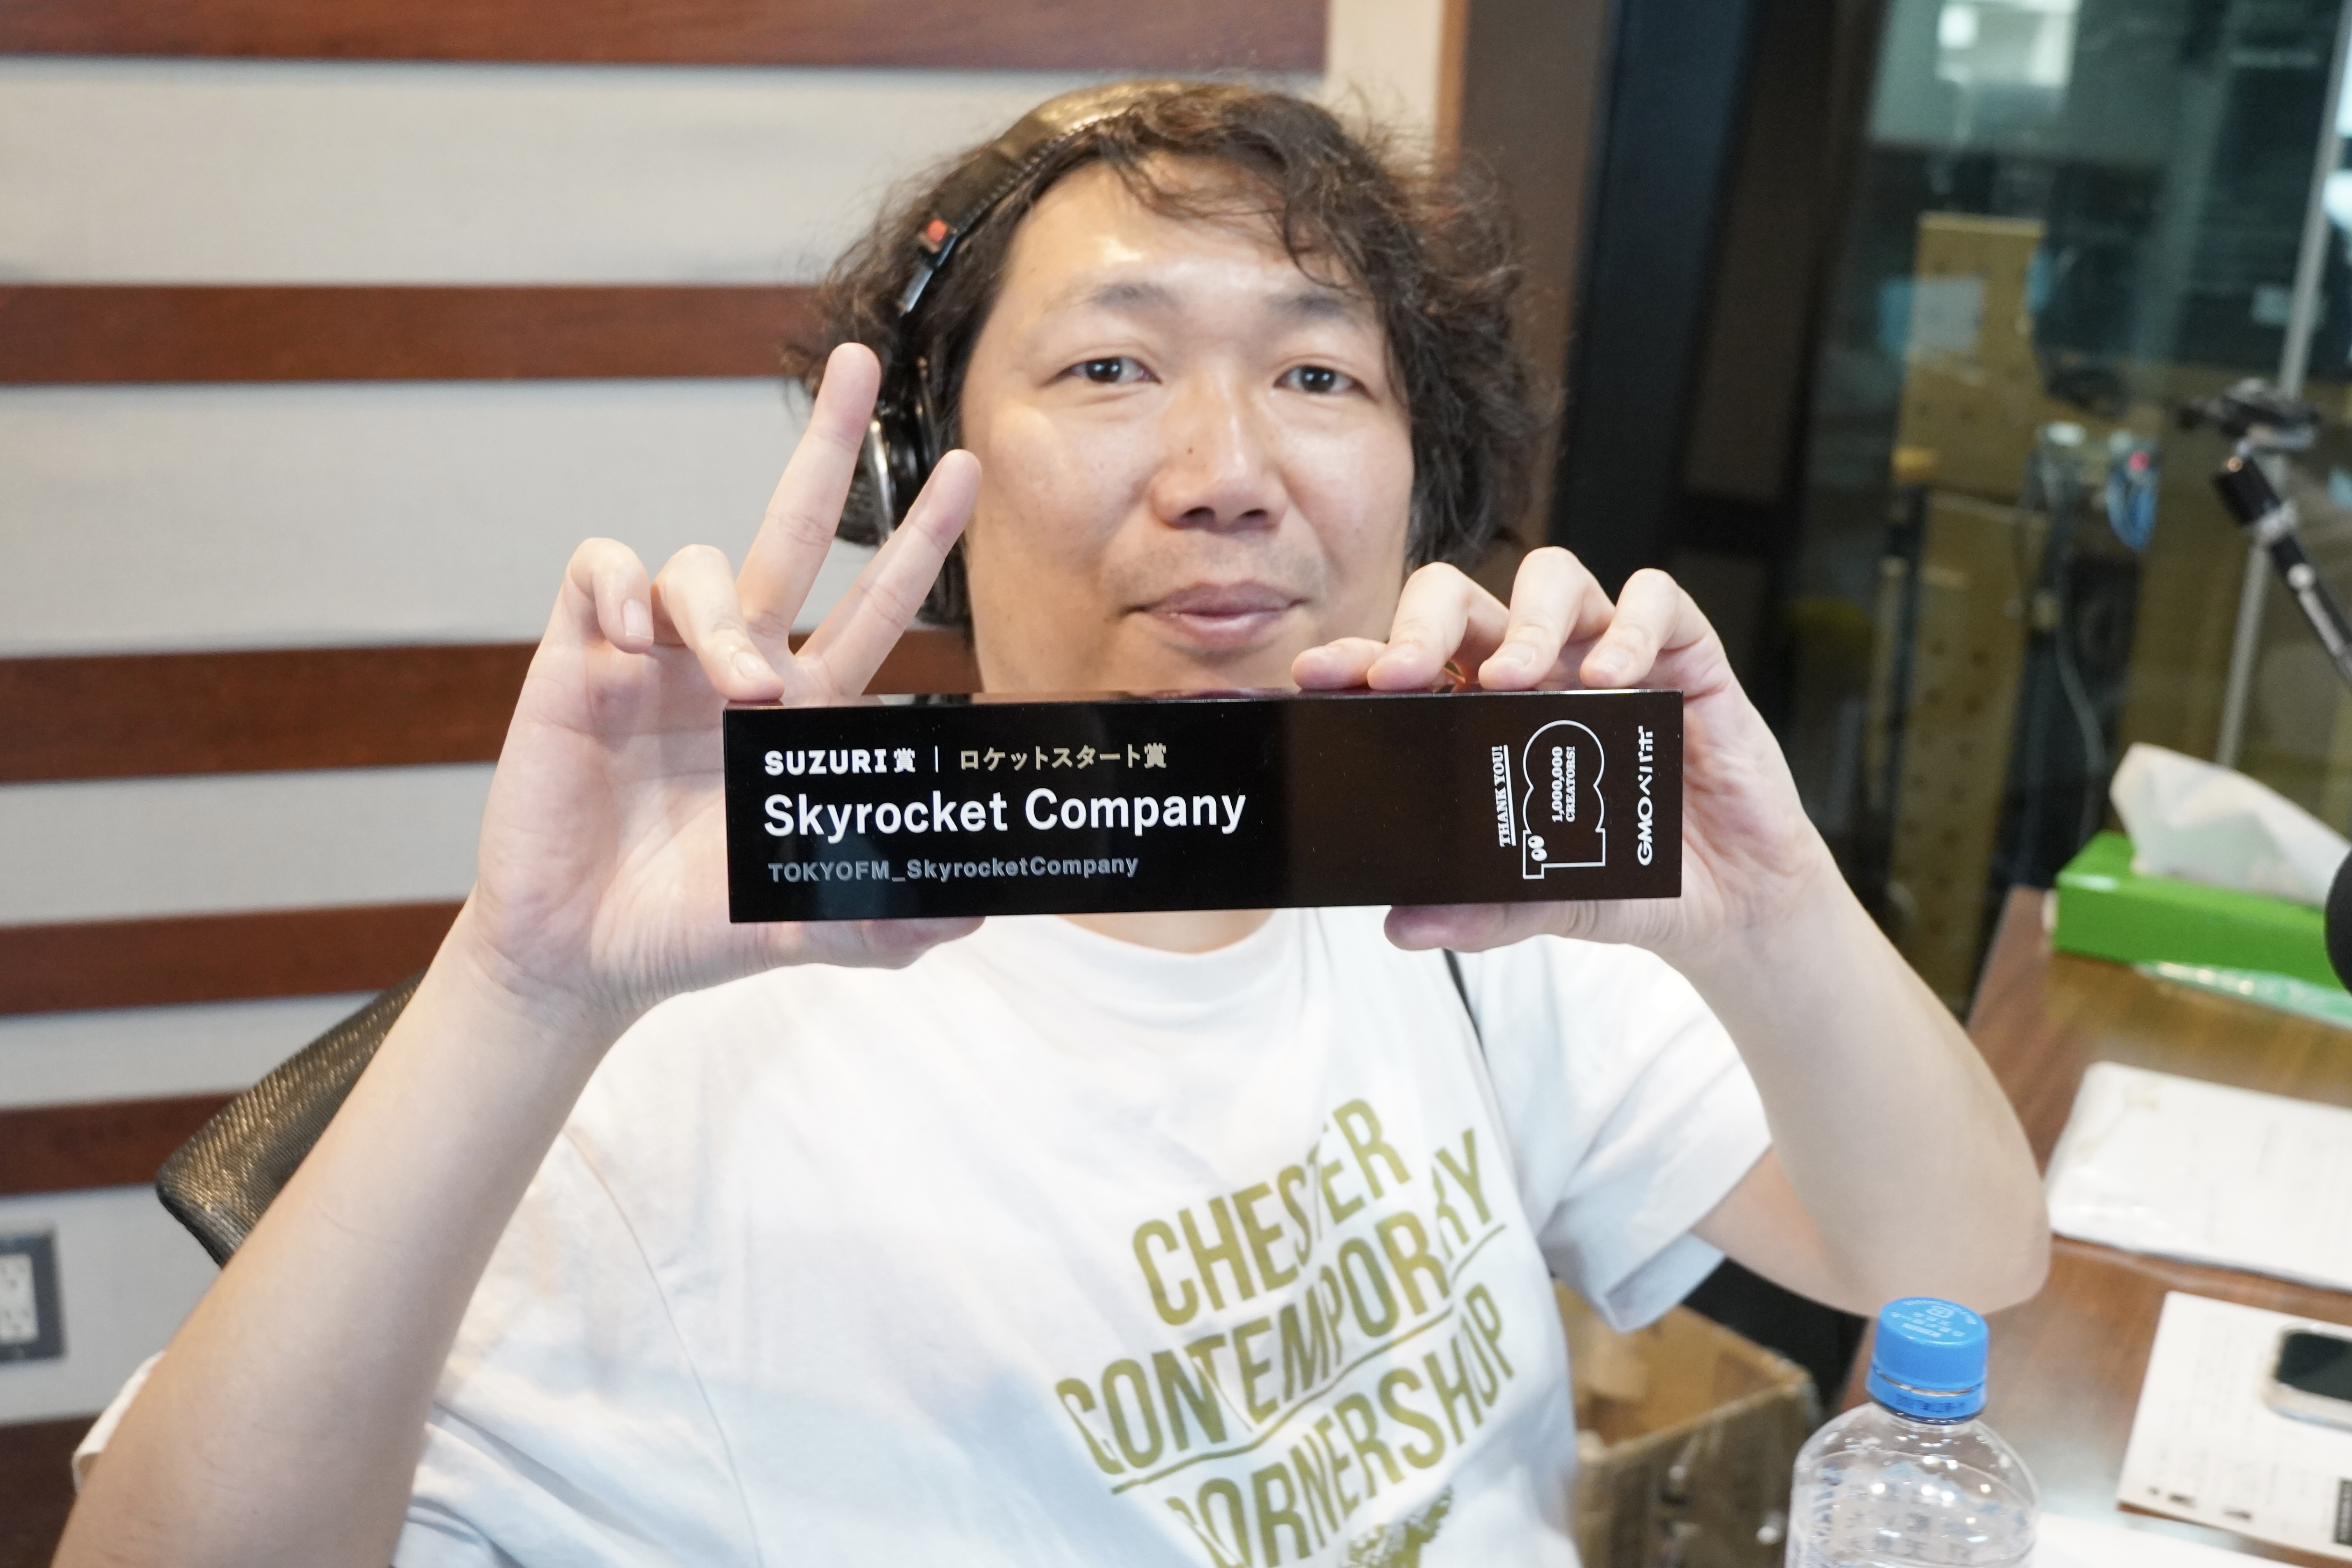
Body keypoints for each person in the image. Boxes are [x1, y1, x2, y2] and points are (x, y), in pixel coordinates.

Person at [57, 81, 2047, 1568]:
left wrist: (1762, 911)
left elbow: (1953, 1260)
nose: (1225, 468)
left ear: (1412, 480)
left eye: (1316, 371)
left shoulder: (1450, 888)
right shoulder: (694, 1045)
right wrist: (521, 993)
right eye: (1110, 364)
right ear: (930, 476)